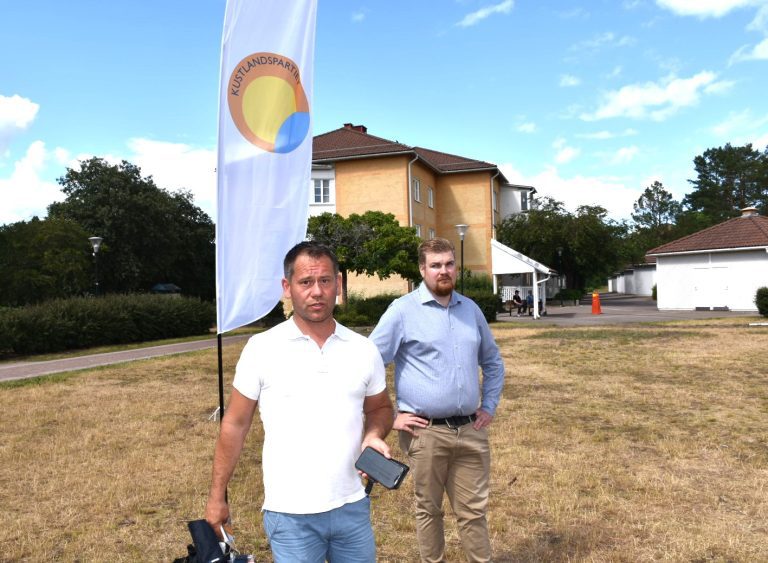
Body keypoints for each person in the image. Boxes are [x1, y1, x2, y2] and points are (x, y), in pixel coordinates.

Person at [205, 241, 394, 562]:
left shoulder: (363, 349)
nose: (316, 291)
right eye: (305, 282)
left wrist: (373, 435)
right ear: (287, 287)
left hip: (352, 506)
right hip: (290, 515)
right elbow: (235, 424)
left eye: (325, 281)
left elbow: (380, 408)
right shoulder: (261, 348)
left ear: (338, 284)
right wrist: (216, 496)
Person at [370, 237, 505, 563]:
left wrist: (488, 405)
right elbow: (367, 363)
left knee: (474, 511)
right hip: (424, 432)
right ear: (422, 269)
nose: (443, 271)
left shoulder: (470, 310)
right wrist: (391, 418)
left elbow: (493, 361)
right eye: (435, 265)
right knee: (429, 509)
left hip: (470, 430)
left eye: (449, 264)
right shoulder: (402, 311)